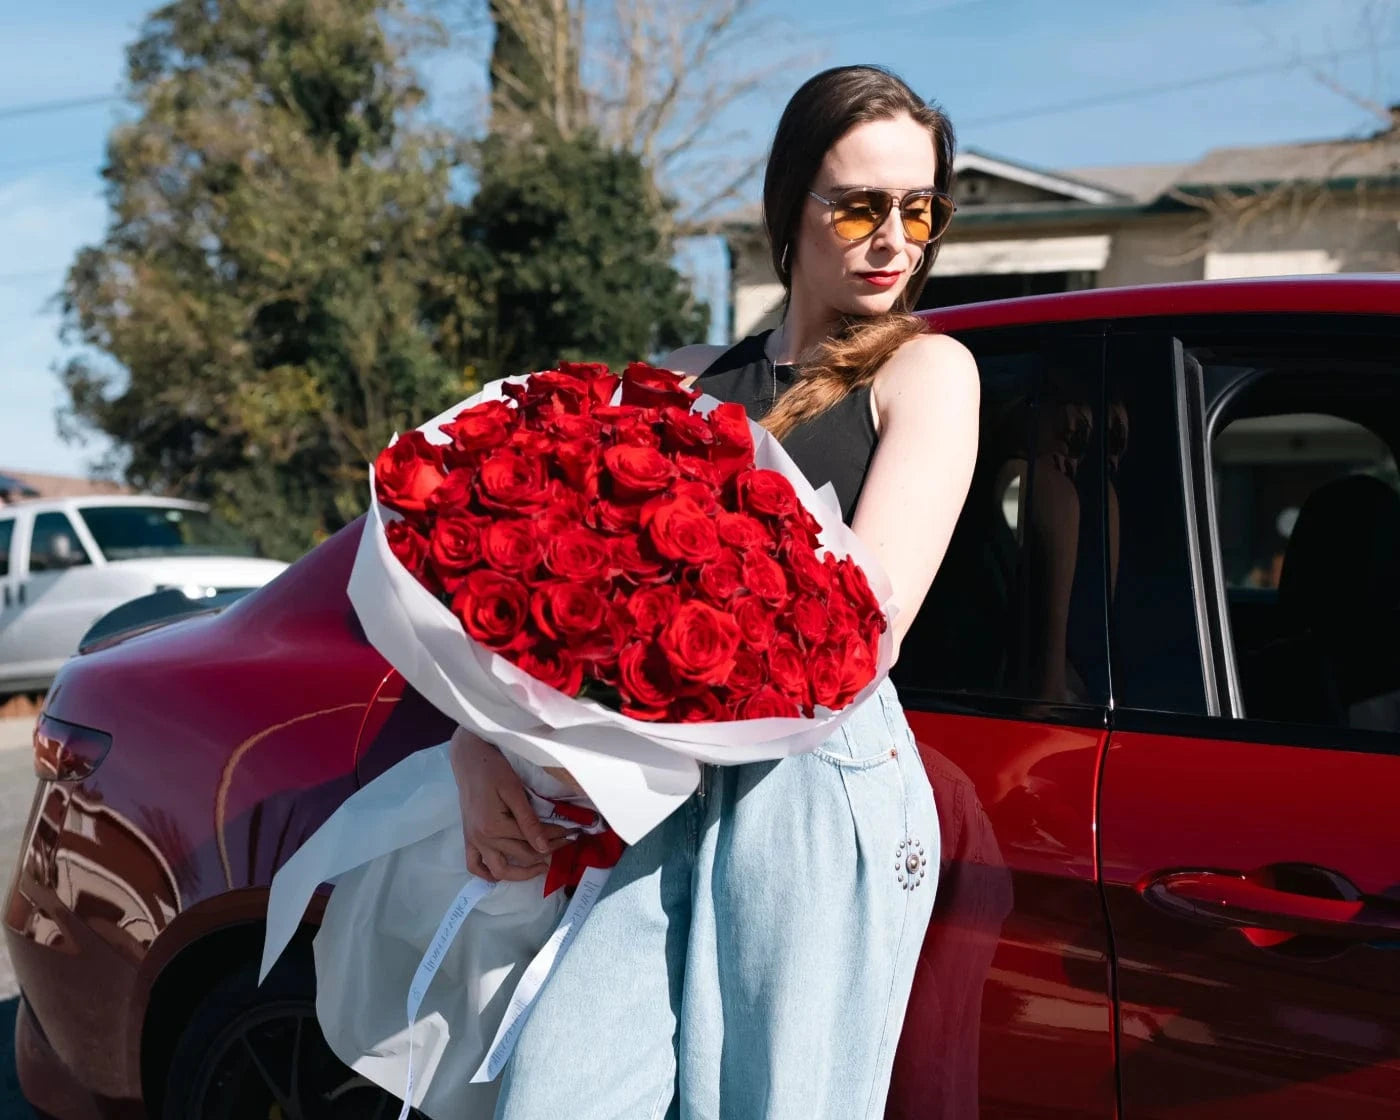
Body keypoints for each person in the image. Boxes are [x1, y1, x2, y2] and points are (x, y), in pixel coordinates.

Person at [450, 64, 980, 1118]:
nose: (894, 240)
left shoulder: (926, 374)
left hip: (812, 782)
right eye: (862, 205)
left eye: (917, 209)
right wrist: (480, 740)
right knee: (554, 1092)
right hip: (656, 785)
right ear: (792, 205)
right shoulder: (685, 380)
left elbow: (858, 631)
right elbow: (567, 595)